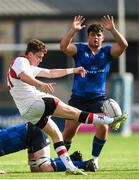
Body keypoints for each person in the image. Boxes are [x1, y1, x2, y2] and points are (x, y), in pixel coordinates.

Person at [7, 38, 127, 175]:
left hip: (28, 111)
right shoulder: (21, 61)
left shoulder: (26, 66)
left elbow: (50, 73)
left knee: (57, 134)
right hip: (37, 102)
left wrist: (73, 70)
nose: (40, 60)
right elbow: (23, 76)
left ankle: (70, 167)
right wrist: (40, 84)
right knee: (76, 113)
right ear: (30, 54)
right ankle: (111, 121)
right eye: (39, 56)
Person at [60, 15, 128, 171]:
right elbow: (63, 47)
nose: (95, 37)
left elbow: (123, 45)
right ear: (88, 36)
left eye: (98, 35)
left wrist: (113, 29)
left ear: (102, 37)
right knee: (69, 131)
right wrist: (72, 30)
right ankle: (61, 161)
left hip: (98, 99)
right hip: (77, 98)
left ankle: (95, 160)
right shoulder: (80, 49)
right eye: (92, 35)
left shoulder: (107, 51)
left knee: (103, 127)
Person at [0, 122, 94, 173]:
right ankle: (73, 158)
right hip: (29, 138)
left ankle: (85, 164)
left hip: (34, 132)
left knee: (46, 167)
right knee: (36, 169)